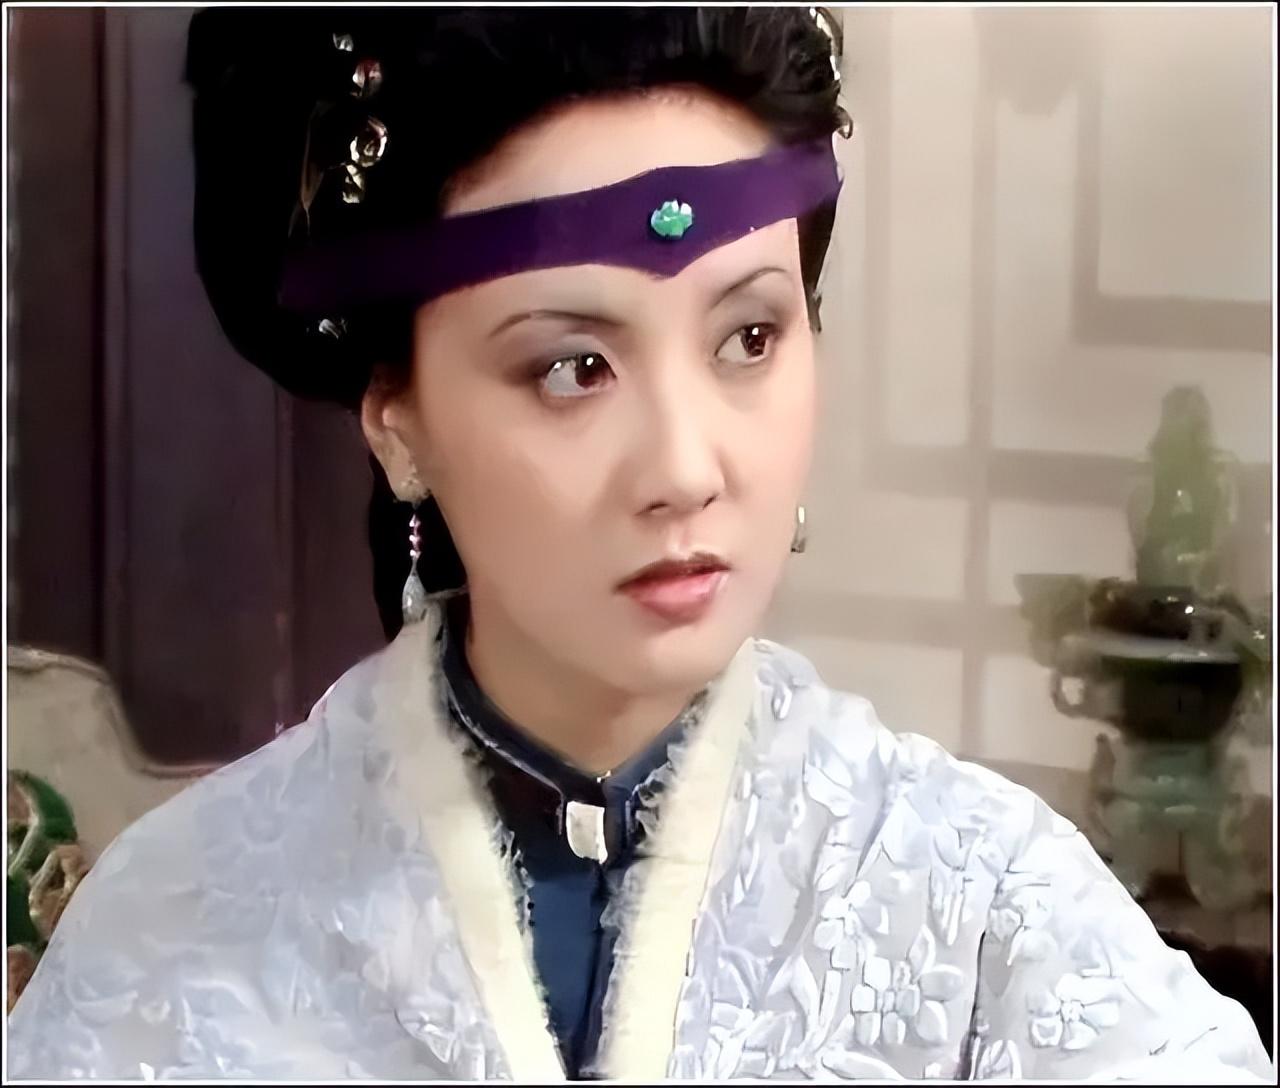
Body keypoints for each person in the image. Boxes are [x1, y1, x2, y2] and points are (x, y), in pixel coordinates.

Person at [6, 8, 1271, 1081]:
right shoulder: (179, 934)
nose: (684, 466)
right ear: (399, 423)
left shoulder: (985, 906)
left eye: (748, 338)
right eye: (572, 366)